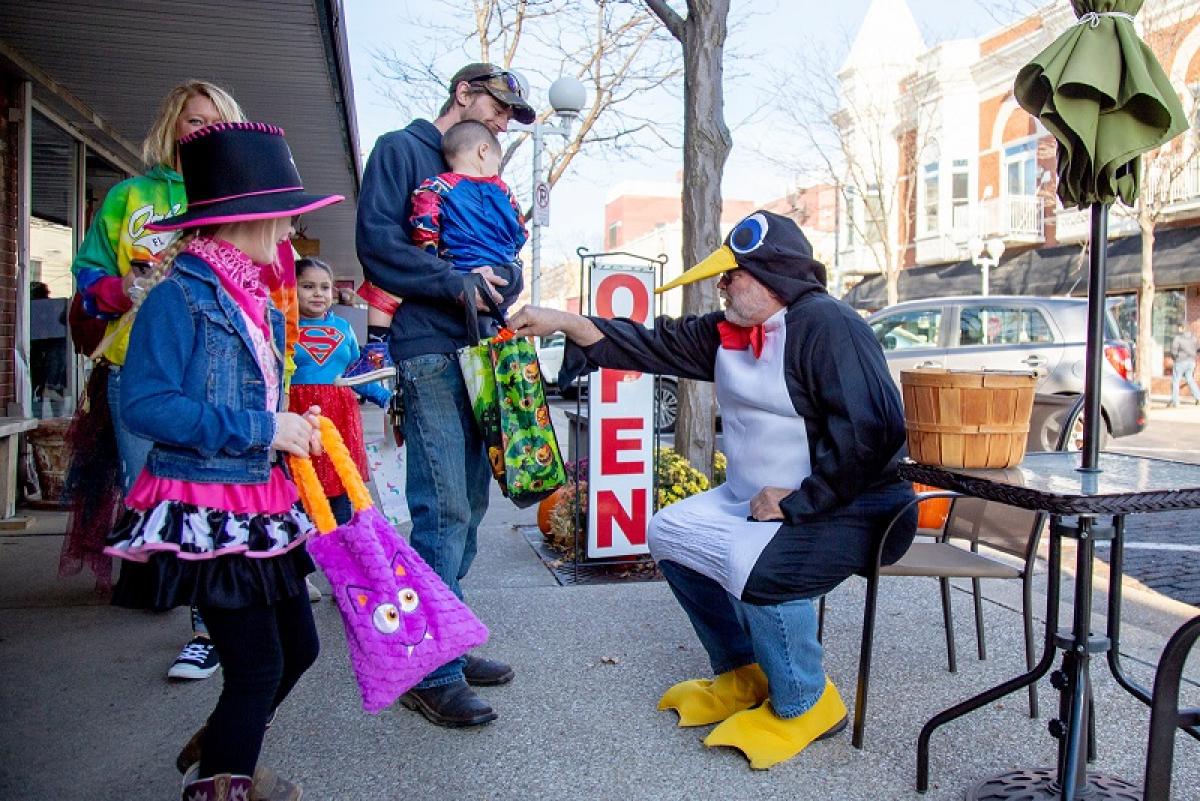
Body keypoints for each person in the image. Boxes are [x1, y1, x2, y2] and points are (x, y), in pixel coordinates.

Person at [508, 211, 917, 770]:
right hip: (756, 499)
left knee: (760, 566)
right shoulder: (725, 332)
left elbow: (874, 436)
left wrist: (800, 500)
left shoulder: (827, 325)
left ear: (773, 275)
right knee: (670, 532)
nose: (722, 285)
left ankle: (807, 702)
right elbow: (648, 344)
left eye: (734, 274)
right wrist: (564, 321)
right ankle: (742, 671)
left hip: (856, 505)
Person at [103, 121, 342, 799]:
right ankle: (224, 779)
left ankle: (225, 745)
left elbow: (254, 397)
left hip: (259, 500)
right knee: (260, 664)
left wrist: (291, 426)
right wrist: (263, 426)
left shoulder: (256, 299)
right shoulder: (178, 295)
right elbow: (145, 405)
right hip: (207, 506)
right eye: (286, 216)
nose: (292, 232)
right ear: (249, 217)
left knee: (299, 648)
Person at [355, 62, 535, 727]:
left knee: (475, 498)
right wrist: (455, 280)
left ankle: (448, 638)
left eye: (510, 117)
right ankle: (429, 666)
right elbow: (376, 244)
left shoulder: (485, 173)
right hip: (428, 347)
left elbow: (506, 253)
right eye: (497, 108)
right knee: (443, 506)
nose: (500, 123)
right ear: (463, 93)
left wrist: (501, 279)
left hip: (483, 350)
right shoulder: (402, 151)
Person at [68, 79, 244, 681]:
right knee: (149, 492)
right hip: (135, 369)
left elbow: (270, 284)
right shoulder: (128, 197)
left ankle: (207, 628)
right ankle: (177, 589)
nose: (203, 132)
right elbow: (89, 275)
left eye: (215, 122)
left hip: (217, 373)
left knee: (205, 496)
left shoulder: (239, 194)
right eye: (194, 121)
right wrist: (120, 291)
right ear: (173, 125)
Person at [290, 257, 390, 523]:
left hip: (340, 419)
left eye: (324, 287)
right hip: (301, 417)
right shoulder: (284, 328)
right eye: (308, 286)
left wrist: (386, 398)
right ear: (292, 287)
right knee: (301, 483)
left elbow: (357, 375)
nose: (318, 294)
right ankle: (304, 550)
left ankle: (346, 547)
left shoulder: (344, 328)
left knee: (340, 483)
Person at [1168, 322, 1200, 407]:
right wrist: (1193, 356)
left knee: (1176, 381)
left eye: (1179, 327)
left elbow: (1173, 350)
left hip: (1180, 361)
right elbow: (1198, 348)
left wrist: (1175, 358)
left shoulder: (1178, 338)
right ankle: (1198, 397)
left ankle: (1175, 402)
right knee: (1190, 379)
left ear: (1182, 328)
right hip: (1191, 362)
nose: (1178, 329)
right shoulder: (1194, 338)